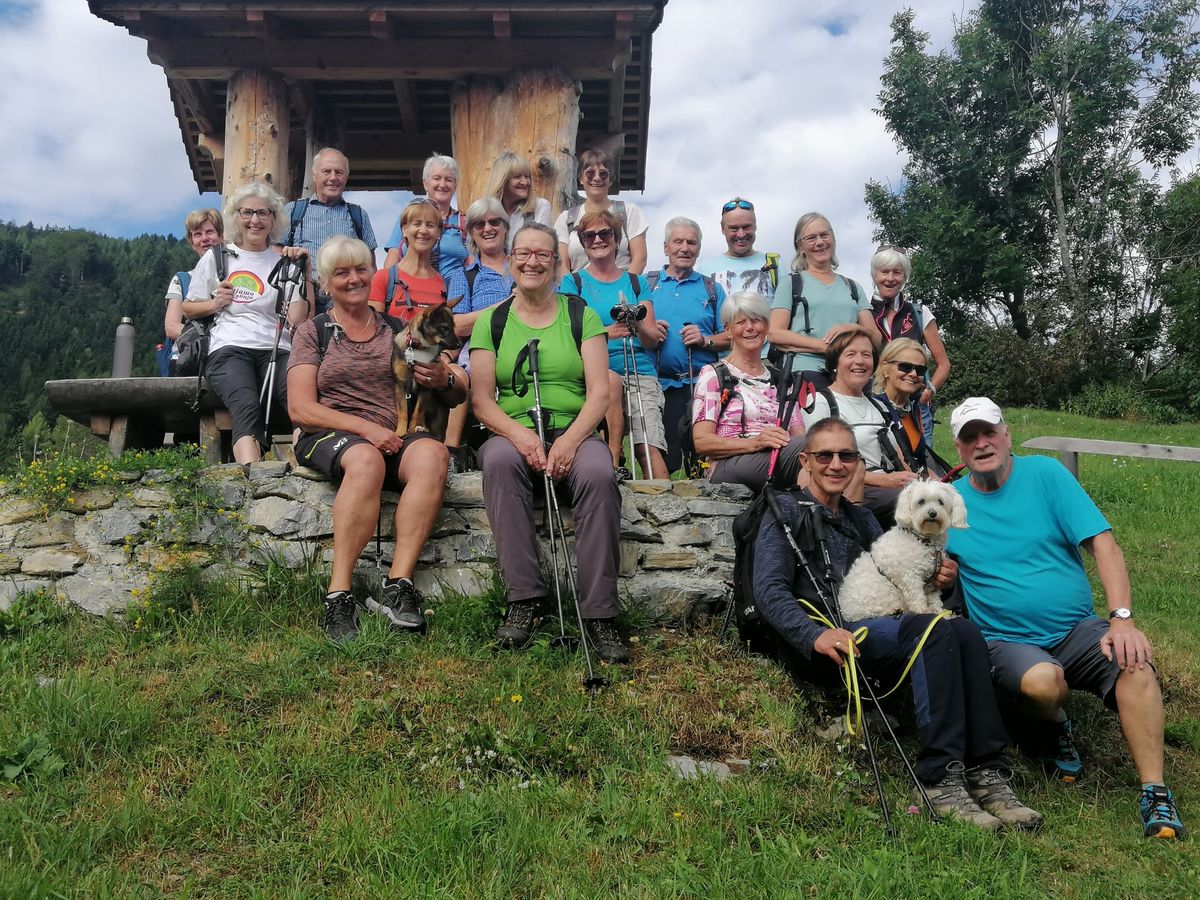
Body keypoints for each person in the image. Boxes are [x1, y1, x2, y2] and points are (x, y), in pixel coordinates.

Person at [753, 417, 1043, 831]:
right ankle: (940, 778)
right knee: (937, 629)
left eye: (847, 455)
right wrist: (814, 635)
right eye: (825, 455)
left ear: (857, 462)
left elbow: (905, 571)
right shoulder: (783, 515)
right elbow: (768, 591)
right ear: (806, 460)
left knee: (963, 628)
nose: (836, 464)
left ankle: (987, 769)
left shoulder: (862, 519)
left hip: (892, 625)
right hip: (835, 639)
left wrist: (939, 578)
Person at [947, 397, 1187, 841]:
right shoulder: (950, 502)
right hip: (1003, 640)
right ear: (959, 450)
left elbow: (1104, 546)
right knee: (1044, 683)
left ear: (1007, 434)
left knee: (1134, 664)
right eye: (970, 438)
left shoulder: (1047, 475)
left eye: (989, 432)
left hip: (1078, 628)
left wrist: (1122, 620)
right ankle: (1054, 726)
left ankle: (1155, 791)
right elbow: (927, 561)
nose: (982, 444)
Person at [287, 236, 461, 642]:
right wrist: (365, 428)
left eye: (361, 269)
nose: (354, 279)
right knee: (366, 459)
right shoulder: (314, 332)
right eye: (341, 273)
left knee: (434, 454)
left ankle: (398, 585)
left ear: (373, 273)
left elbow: (455, 391)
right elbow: (300, 409)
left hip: (391, 436)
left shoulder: (399, 330)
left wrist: (445, 376)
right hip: (329, 433)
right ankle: (339, 596)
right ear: (326, 283)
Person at [470, 223, 629, 663]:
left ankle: (599, 613)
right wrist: (519, 435)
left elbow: (600, 392)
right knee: (499, 462)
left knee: (598, 474)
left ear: (557, 264)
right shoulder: (493, 320)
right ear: (512, 260)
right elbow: (482, 400)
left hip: (573, 429)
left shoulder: (581, 315)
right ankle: (525, 599)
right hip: (513, 429)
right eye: (523, 253)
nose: (531, 261)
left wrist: (571, 441)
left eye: (542, 254)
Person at [184, 182, 309, 464]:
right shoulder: (216, 257)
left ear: (274, 218)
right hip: (229, 347)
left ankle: (307, 470)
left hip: (277, 347)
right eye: (248, 213)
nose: (255, 220)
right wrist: (216, 303)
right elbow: (188, 307)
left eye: (263, 213)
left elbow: (298, 319)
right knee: (246, 405)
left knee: (299, 401)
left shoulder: (286, 260)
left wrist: (305, 271)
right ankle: (251, 478)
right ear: (236, 217)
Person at [561, 208, 666, 479]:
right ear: (583, 242)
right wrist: (608, 331)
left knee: (647, 447)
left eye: (605, 233)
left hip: (637, 369)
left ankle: (666, 507)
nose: (597, 240)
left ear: (616, 238)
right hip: (592, 372)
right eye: (589, 235)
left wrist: (636, 322)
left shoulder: (635, 282)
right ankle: (613, 462)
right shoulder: (572, 282)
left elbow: (652, 339)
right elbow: (567, 334)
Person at [691, 291, 806, 492]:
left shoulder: (781, 379)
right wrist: (756, 443)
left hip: (778, 457)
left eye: (756, 320)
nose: (750, 328)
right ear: (728, 330)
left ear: (767, 326)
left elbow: (798, 435)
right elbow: (702, 442)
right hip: (729, 464)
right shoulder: (714, 374)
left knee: (828, 448)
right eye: (741, 322)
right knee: (813, 448)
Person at [802, 327, 913, 526]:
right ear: (835, 362)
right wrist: (885, 481)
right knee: (913, 504)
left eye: (866, 355)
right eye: (850, 354)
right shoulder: (820, 402)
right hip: (852, 487)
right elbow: (820, 463)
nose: (860, 361)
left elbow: (900, 455)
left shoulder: (879, 405)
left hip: (892, 483)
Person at [647, 217, 728, 474]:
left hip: (701, 386)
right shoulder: (646, 285)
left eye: (691, 242)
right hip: (661, 385)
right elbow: (630, 329)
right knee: (667, 461)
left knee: (701, 462)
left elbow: (730, 337)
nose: (685, 248)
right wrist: (648, 329)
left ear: (699, 249)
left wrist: (704, 340)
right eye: (678, 241)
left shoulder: (712, 288)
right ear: (665, 247)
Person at [444, 197, 515, 466]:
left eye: (494, 222)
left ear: (505, 227)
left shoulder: (525, 268)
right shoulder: (465, 276)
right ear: (471, 233)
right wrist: (506, 305)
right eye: (478, 224)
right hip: (480, 352)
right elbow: (458, 325)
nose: (487, 228)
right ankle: (452, 454)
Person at [767, 212, 879, 381]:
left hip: (849, 375)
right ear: (800, 247)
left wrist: (853, 328)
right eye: (811, 238)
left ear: (833, 238)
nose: (819, 242)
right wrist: (824, 347)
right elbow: (775, 334)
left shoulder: (853, 287)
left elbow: (876, 339)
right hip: (806, 374)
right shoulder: (791, 283)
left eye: (824, 235)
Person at [869, 246, 950, 443]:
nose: (890, 278)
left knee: (922, 465)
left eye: (897, 272)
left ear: (905, 277)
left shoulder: (919, 313)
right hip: (872, 406)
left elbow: (944, 364)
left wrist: (928, 392)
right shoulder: (861, 313)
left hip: (914, 408)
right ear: (874, 274)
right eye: (884, 271)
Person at [283, 148, 378, 314]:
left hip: (345, 303)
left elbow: (371, 266)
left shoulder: (359, 215)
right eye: (326, 171)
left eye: (339, 172)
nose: (333, 178)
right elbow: (276, 253)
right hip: (302, 303)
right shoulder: (293, 210)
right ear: (314, 175)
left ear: (346, 177)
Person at [554, 148, 648, 274]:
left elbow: (640, 259)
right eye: (590, 174)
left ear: (611, 180)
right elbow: (561, 266)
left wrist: (625, 290)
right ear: (581, 179)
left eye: (603, 174)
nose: (597, 178)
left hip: (622, 289)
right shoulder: (566, 219)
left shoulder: (629, 212)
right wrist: (572, 292)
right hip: (578, 290)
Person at [383, 154, 469, 280]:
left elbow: (473, 263)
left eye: (449, 180)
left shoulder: (464, 221)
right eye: (437, 178)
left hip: (455, 295)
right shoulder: (408, 216)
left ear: (455, 186)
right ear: (425, 184)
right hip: (411, 292)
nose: (442, 184)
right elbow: (393, 257)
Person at [161, 208, 223, 375]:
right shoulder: (182, 279)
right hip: (188, 360)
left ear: (221, 236)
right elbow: (172, 327)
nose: (205, 239)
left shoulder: (236, 275)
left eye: (210, 232)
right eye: (197, 234)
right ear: (192, 242)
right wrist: (207, 339)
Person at [872, 338, 946, 477]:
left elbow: (919, 462)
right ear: (885, 369)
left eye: (920, 370)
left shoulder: (912, 409)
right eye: (905, 366)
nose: (913, 374)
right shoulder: (874, 410)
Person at [369, 198, 447, 321]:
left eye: (430, 225)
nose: (423, 231)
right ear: (404, 230)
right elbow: (374, 331)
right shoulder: (383, 278)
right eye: (417, 224)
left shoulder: (444, 284)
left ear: (438, 233)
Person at [695, 197, 780, 303]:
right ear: (723, 229)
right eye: (734, 228)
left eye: (746, 227)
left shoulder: (775, 264)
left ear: (755, 226)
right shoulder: (704, 270)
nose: (741, 234)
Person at [486, 150, 553, 232]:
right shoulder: (486, 213)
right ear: (502, 180)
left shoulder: (539, 207)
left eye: (527, 176)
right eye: (517, 177)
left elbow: (540, 243)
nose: (525, 182)